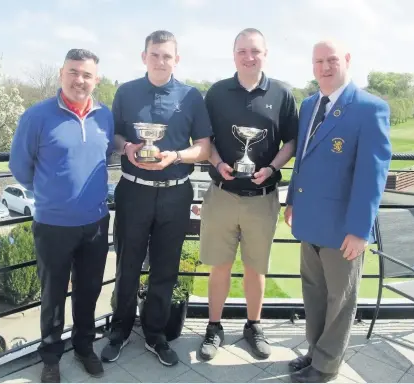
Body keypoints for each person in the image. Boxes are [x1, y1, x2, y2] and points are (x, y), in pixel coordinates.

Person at [101, 30, 212, 367]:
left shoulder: (192, 96)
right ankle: (119, 330)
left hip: (175, 194)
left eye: (167, 55)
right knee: (127, 265)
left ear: (176, 59)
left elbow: (204, 147)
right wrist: (129, 147)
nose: (161, 60)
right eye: (155, 54)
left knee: (165, 269)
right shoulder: (127, 91)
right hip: (133, 190)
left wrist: (176, 156)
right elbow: (116, 135)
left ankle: (155, 334)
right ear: (144, 56)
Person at [285, 40, 392, 383]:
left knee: (340, 301)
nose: (325, 67)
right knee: (314, 295)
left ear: (347, 60)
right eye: (318, 61)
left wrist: (361, 230)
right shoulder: (309, 105)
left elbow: (372, 175)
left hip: (343, 228)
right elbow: (301, 158)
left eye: (332, 59)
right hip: (309, 220)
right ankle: (315, 352)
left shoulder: (369, 108)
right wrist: (291, 201)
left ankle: (327, 367)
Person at [9, 49, 114, 383]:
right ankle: (51, 357)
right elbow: (20, 168)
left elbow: (106, 156)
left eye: (86, 74)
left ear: (96, 79)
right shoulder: (37, 116)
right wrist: (52, 195)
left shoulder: (105, 117)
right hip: (53, 225)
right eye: (73, 72)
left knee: (88, 291)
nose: (79, 80)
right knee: (53, 296)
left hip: (96, 223)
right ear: (61, 74)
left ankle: (84, 347)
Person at [198, 28, 298, 361]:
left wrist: (271, 168)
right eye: (242, 51)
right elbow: (204, 139)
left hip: (263, 198)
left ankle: (253, 326)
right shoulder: (216, 92)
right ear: (234, 54)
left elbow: (292, 141)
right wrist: (218, 162)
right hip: (222, 193)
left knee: (256, 269)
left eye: (254, 51)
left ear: (265, 54)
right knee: (219, 266)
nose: (248, 56)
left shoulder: (282, 93)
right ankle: (214, 327)